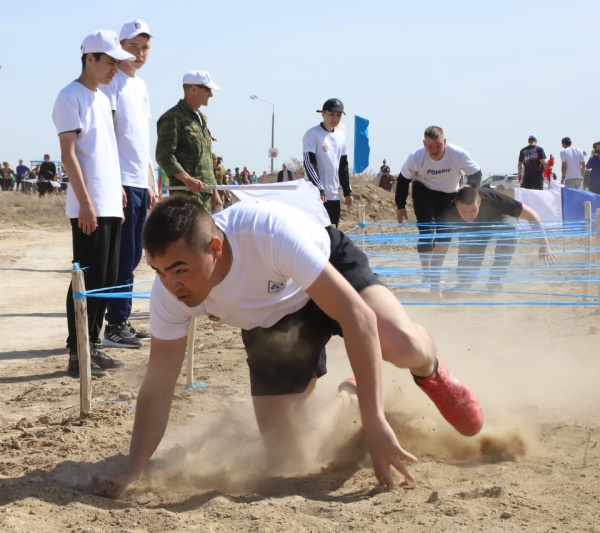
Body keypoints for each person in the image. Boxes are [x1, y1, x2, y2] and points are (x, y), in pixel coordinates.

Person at [100, 195, 483, 493]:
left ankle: (427, 363)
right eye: (160, 272)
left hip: (325, 273)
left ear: (215, 248)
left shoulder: (267, 234)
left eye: (180, 270)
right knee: (289, 456)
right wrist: (135, 466)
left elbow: (357, 317)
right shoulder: (168, 293)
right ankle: (350, 392)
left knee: (401, 346)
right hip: (271, 323)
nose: (170, 284)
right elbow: (160, 380)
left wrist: (375, 420)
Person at [53, 29, 133, 378]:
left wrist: (118, 189)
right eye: (109, 61)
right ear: (90, 59)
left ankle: (95, 346)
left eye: (118, 62)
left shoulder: (103, 98)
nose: (114, 68)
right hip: (89, 207)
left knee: (108, 279)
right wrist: (85, 202)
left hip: (110, 203)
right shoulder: (70, 97)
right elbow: (69, 154)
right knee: (86, 281)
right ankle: (78, 353)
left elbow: (108, 151)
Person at [100, 18, 156, 350]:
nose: (138, 53)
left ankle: (123, 319)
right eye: (132, 47)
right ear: (120, 46)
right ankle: (114, 324)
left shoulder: (141, 86)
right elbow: (107, 136)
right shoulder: (112, 82)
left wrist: (151, 180)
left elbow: (141, 140)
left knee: (134, 255)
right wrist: (113, 181)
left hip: (139, 181)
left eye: (144, 48)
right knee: (121, 257)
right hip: (120, 181)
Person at [395, 126, 482, 291]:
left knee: (445, 233)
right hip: (424, 191)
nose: (434, 150)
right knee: (426, 229)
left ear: (445, 142)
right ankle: (427, 274)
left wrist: (468, 186)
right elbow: (402, 180)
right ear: (423, 144)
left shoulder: (458, 154)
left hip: (449, 195)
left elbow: (476, 173)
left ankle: (436, 272)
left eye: (438, 146)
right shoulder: (415, 157)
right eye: (429, 147)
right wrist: (400, 206)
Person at [435, 187, 556, 293]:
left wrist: (544, 245)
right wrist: (434, 285)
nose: (468, 215)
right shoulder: (449, 213)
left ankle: (495, 279)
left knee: (510, 228)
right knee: (468, 241)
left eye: (472, 210)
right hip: (474, 229)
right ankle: (465, 282)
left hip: (500, 218)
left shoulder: (495, 199)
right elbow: (440, 249)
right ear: (456, 205)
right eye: (463, 211)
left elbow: (532, 214)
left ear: (479, 202)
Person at [155, 70, 223, 212]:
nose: (211, 94)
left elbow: (206, 159)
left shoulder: (202, 119)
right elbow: (164, 156)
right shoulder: (172, 117)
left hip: (206, 194)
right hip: (186, 195)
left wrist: (214, 192)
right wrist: (187, 179)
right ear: (193, 89)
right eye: (208, 90)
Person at [302, 98, 352, 227]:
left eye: (338, 115)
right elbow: (309, 164)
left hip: (334, 196)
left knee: (332, 235)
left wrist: (347, 192)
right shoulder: (312, 134)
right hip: (315, 195)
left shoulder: (341, 136)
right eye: (332, 114)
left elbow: (343, 166)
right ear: (323, 113)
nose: (335, 118)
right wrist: (319, 189)